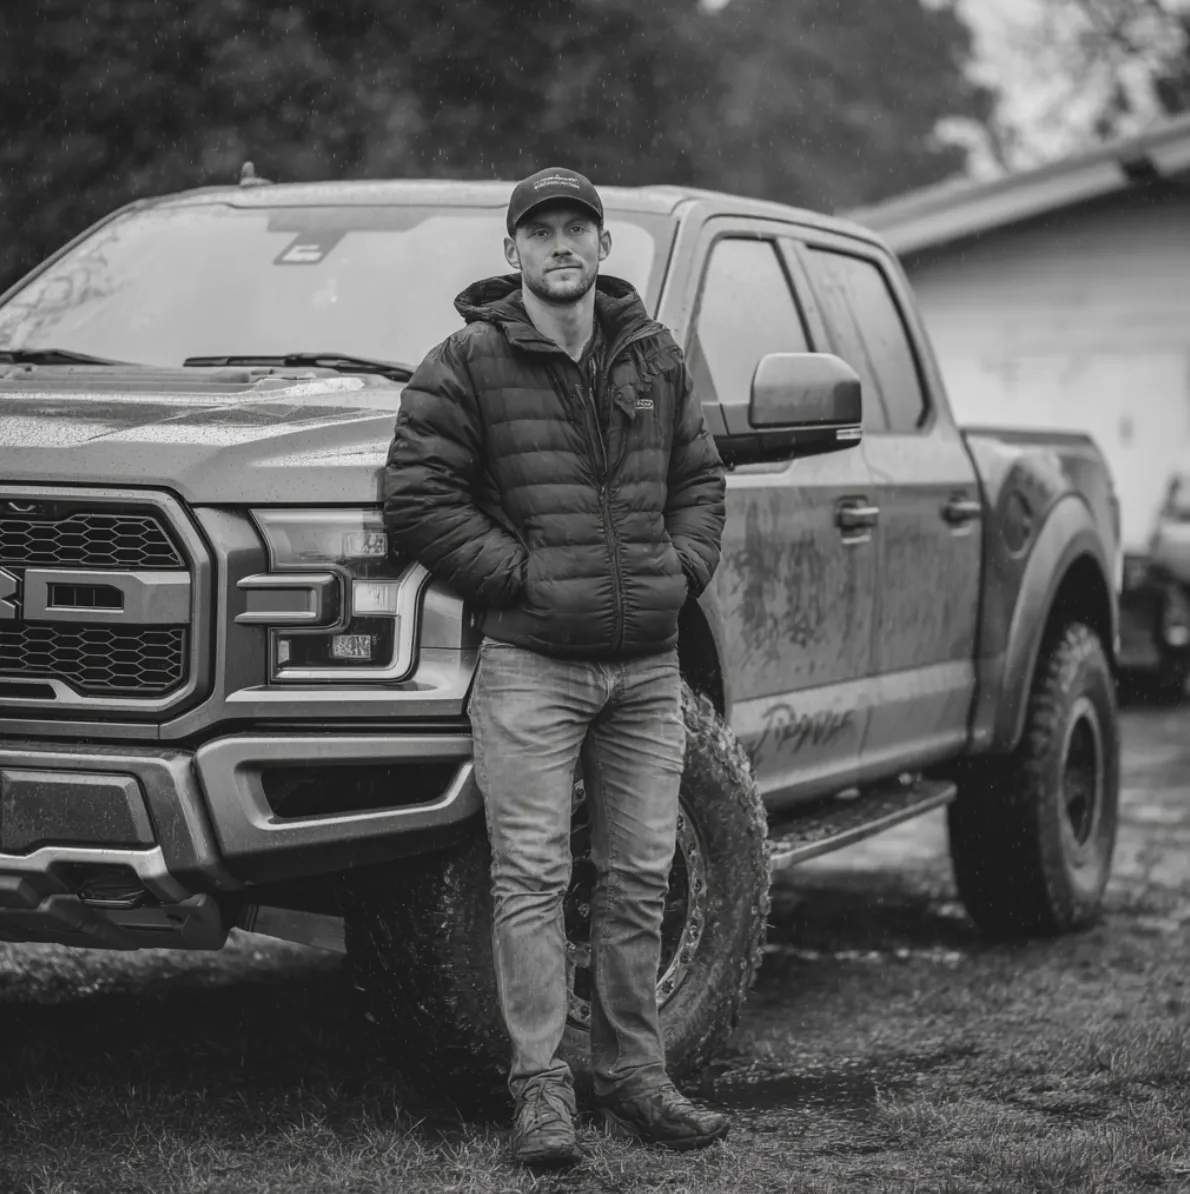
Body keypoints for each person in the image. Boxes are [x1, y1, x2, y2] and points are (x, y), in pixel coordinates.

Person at [382, 166, 728, 1168]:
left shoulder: (652, 356)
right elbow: (415, 498)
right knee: (530, 880)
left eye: (576, 227)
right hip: (531, 666)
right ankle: (540, 1092)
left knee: (632, 881)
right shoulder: (464, 362)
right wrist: (518, 578)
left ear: (602, 247)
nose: (560, 245)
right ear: (512, 253)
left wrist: (680, 569)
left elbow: (699, 478)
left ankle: (633, 1077)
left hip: (647, 673)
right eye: (540, 232)